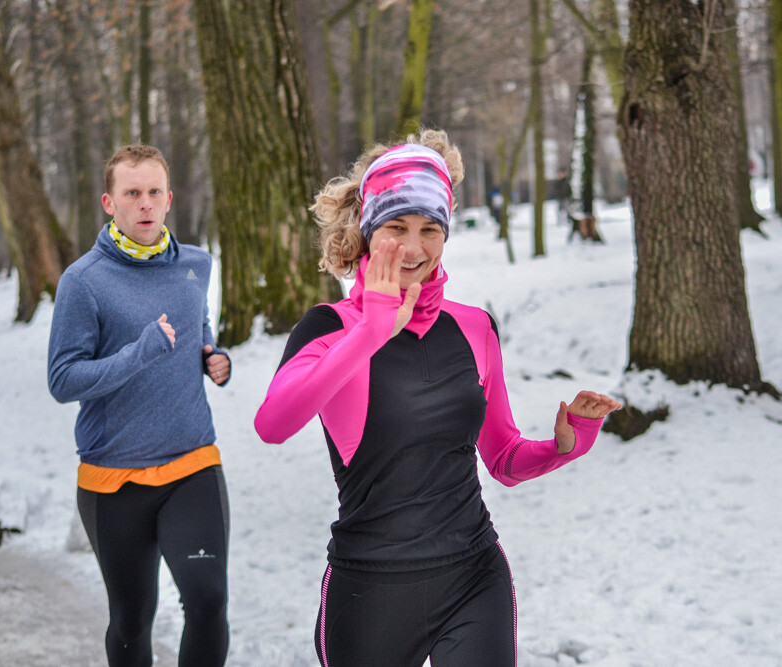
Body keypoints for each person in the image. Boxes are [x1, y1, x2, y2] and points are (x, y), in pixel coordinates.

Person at [253, 129, 621, 667]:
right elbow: (273, 423)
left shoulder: (474, 329)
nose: (413, 246)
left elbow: (503, 459)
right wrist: (372, 330)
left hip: (473, 576)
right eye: (396, 227)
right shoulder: (329, 328)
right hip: (370, 589)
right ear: (367, 229)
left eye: (430, 229)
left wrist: (567, 444)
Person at [48, 145, 231, 667]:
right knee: (132, 617)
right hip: (113, 478)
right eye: (132, 193)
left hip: (191, 461)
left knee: (209, 600)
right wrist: (138, 354)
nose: (145, 204)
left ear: (169, 199)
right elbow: (62, 380)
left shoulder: (197, 265)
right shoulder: (83, 282)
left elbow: (197, 332)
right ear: (110, 202)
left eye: (154, 192)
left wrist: (213, 359)